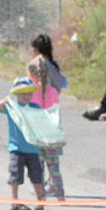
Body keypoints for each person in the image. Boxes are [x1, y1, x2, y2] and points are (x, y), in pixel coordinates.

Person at [0, 78, 47, 210]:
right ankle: (15, 201)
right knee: (15, 174)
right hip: (16, 148)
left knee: (36, 175)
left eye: (29, 94)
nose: (26, 97)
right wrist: (5, 100)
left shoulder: (35, 108)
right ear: (17, 94)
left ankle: (40, 200)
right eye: (23, 94)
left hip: (33, 149)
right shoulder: (12, 107)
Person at [27, 54, 67, 202]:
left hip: (38, 137)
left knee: (38, 169)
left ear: (32, 75)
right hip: (52, 136)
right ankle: (60, 196)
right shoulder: (53, 92)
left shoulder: (30, 93)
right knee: (54, 169)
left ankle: (40, 198)